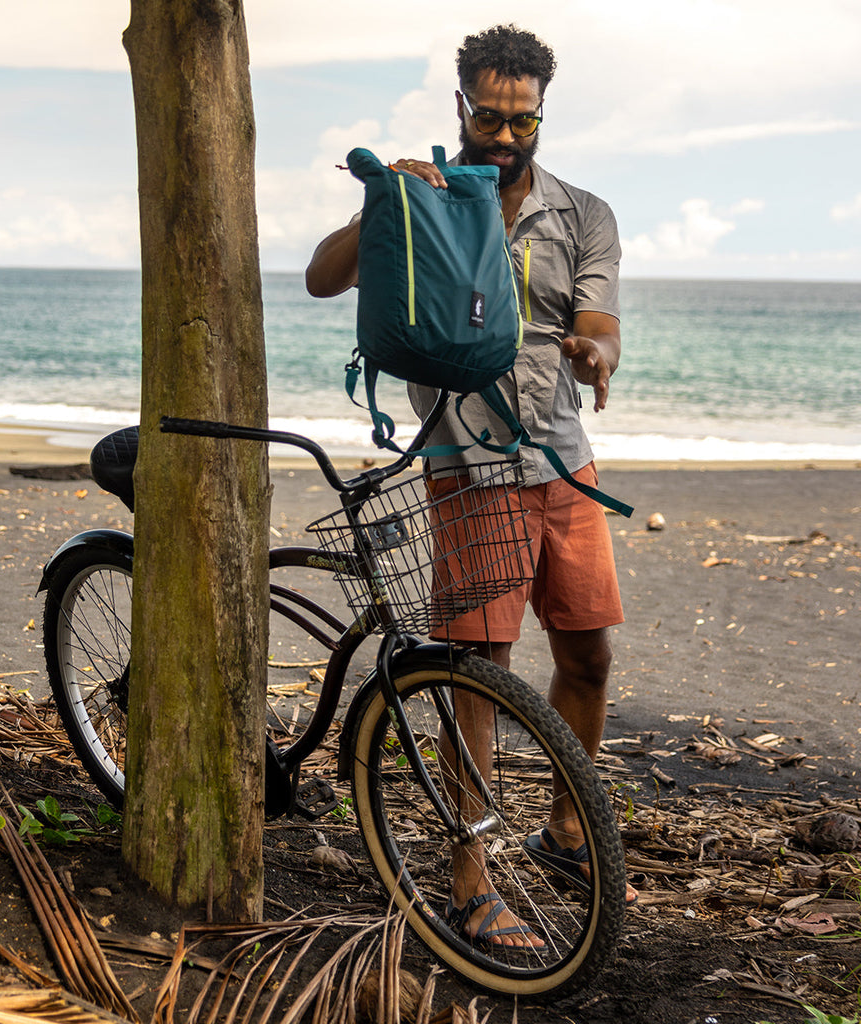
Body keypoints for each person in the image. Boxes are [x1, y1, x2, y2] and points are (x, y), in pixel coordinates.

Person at [306, 24, 635, 947]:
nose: (503, 135)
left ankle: (568, 835)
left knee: (588, 654)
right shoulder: (427, 196)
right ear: (462, 107)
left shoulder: (584, 215)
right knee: (478, 676)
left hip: (563, 457)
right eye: (488, 116)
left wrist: (593, 351)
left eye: (520, 120)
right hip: (468, 462)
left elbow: (603, 322)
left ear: (541, 114)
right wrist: (384, 197)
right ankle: (469, 879)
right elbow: (321, 279)